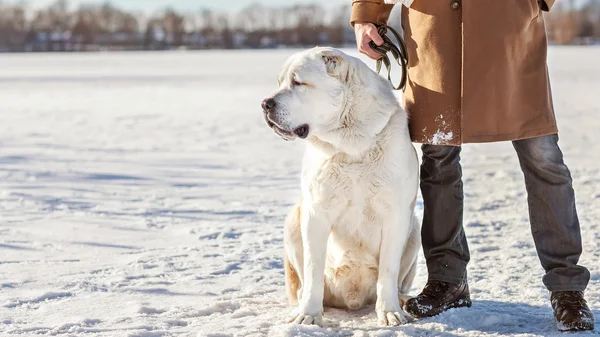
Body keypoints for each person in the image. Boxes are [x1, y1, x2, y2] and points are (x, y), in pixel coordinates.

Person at [351, 0, 594, 332]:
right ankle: (447, 279)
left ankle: (567, 287)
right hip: (436, 34)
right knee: (439, 162)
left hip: (509, 32)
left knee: (543, 158)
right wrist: (367, 16)